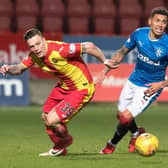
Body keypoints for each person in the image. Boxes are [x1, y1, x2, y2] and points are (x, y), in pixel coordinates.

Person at [0, 28, 112, 157]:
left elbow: (89, 46)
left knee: (52, 121)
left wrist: (104, 61)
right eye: (32, 46)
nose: (36, 48)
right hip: (64, 87)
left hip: (81, 88)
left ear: (43, 40)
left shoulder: (59, 50)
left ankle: (65, 141)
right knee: (45, 117)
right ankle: (60, 147)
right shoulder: (35, 56)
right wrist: (8, 69)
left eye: (38, 44)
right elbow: (19, 69)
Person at [97, 7, 168, 154]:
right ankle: (136, 133)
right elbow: (122, 52)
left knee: (126, 117)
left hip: (150, 87)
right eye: (157, 21)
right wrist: (105, 71)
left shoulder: (167, 43)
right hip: (133, 80)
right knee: (121, 115)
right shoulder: (139, 34)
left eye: (164, 22)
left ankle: (111, 144)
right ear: (150, 21)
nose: (160, 25)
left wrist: (161, 84)